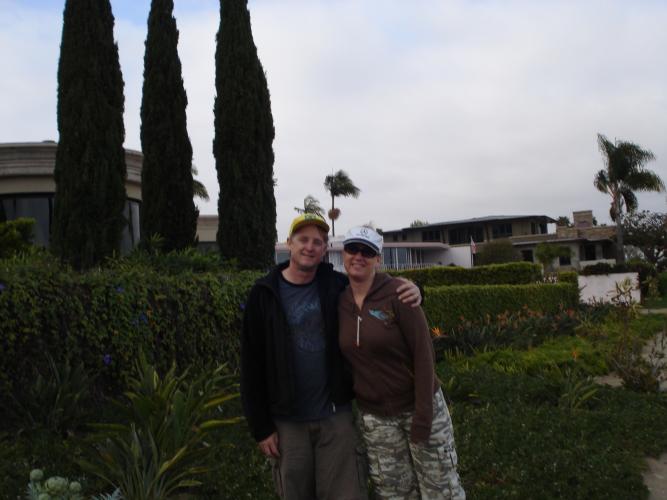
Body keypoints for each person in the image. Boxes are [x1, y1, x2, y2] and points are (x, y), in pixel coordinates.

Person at [241, 214, 422, 500]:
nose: (310, 247)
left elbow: (377, 288)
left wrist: (415, 289)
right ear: (289, 244)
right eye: (303, 240)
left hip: (335, 417)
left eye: (318, 242)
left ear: (325, 249)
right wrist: (261, 427)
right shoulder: (263, 294)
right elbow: (251, 365)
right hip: (288, 421)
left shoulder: (336, 285)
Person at [338, 226, 465, 500]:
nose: (359, 256)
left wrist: (423, 414)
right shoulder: (339, 300)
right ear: (343, 253)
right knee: (394, 492)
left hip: (419, 409)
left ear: (378, 259)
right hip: (376, 418)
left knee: (440, 490)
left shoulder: (400, 294)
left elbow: (423, 355)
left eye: (368, 251)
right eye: (353, 249)